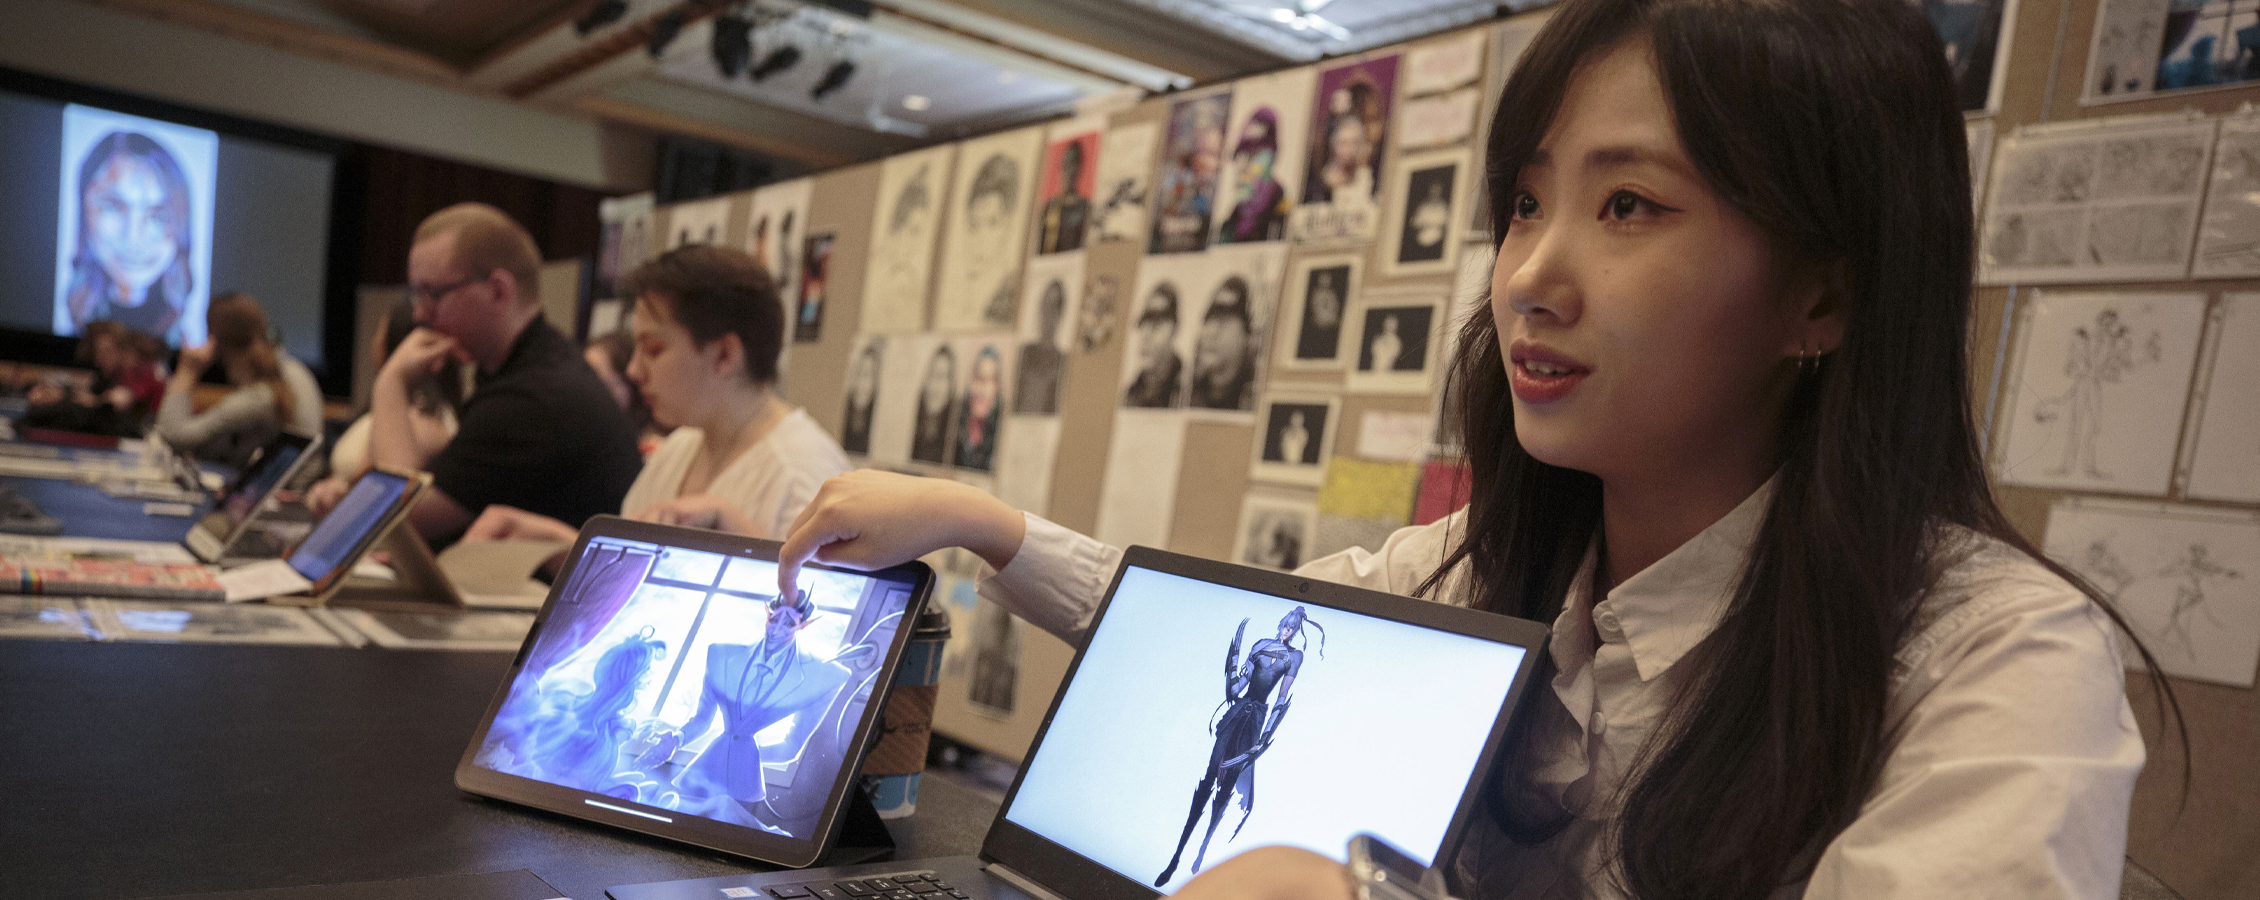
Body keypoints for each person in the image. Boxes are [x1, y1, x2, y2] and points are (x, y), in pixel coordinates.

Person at [763, 1, 2166, 898]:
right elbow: (1209, 627)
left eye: (1629, 208)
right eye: (1526, 204)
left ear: (1826, 293)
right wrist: (981, 524)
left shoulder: (1993, 661)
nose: (1530, 280)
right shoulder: (1490, 561)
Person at [463, 245, 850, 545]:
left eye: (653, 350)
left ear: (725, 354)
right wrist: (550, 539)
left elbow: (815, 631)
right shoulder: (679, 449)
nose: (633, 371)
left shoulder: (802, 476)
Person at [372, 203, 643, 543]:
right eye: (416, 294)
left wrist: (390, 383)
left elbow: (398, 521)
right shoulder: (532, 367)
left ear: (498, 290)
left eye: (434, 294)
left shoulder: (533, 397)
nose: (420, 314)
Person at [307, 298, 461, 510]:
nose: (374, 340)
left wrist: (337, 498)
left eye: (380, 331)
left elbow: (390, 498)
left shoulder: (423, 419)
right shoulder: (398, 407)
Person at [154, 292, 323, 465]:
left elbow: (174, 436)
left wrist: (187, 371)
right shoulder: (294, 369)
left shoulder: (259, 396)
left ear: (215, 341)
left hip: (287, 490)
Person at [62, 132, 198, 344]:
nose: (133, 237)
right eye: (113, 206)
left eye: (157, 215)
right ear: (84, 213)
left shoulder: (187, 343)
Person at [20, 321, 167, 437]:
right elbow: (90, 393)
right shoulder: (110, 376)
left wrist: (67, 398)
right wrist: (59, 394)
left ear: (123, 350)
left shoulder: (140, 372)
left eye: (106, 351)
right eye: (98, 352)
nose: (99, 359)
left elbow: (120, 399)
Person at [1216, 108, 1291, 244]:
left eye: (1256, 156)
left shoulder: (1278, 199)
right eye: (1242, 156)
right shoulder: (1233, 218)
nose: (1245, 166)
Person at [586, 328, 664, 456]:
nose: (586, 389)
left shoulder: (649, 450)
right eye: (584, 374)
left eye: (597, 381)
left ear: (631, 387)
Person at [1190, 277, 1258, 411]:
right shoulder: (1188, 391)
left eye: (1224, 321)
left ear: (1246, 335)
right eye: (1208, 321)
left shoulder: (1254, 395)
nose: (1211, 333)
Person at [1124, 284, 1185, 408]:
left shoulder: (1186, 387)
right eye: (1143, 325)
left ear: (1174, 328)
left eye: (1156, 325)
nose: (1145, 336)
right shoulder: (1133, 391)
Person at [1014, 280, 1069, 415]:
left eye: (1052, 307)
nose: (1047, 314)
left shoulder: (1062, 361)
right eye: (1044, 305)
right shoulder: (1024, 353)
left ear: (1059, 314)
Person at [1038, 140, 1092, 254]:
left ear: (1079, 169)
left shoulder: (1086, 208)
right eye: (1066, 166)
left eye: (1074, 166)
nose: (1069, 173)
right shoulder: (1049, 208)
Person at [954, 346, 1004, 471]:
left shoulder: (999, 427)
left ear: (997, 387)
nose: (981, 389)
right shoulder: (957, 419)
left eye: (988, 380)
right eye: (978, 378)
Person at [910, 345, 957, 465]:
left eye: (942, 377)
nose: (936, 385)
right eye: (932, 374)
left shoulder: (953, 437)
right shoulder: (913, 422)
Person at [841, 341, 880, 455]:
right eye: (860, 373)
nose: (863, 383)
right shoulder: (845, 412)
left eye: (868, 375)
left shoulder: (876, 415)